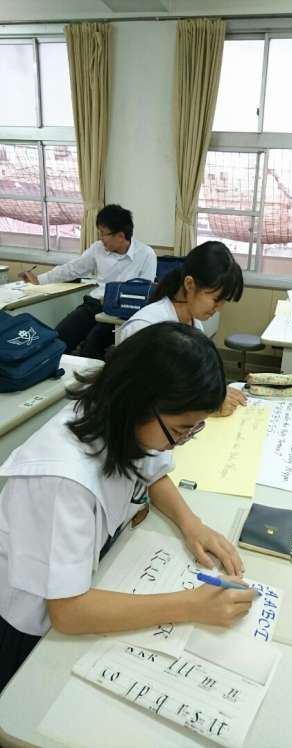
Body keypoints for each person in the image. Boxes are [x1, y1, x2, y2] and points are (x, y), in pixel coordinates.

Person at [0, 322, 256, 693]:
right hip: (33, 630)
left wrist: (191, 524)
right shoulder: (63, 480)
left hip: (92, 574)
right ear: (138, 402)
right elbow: (68, 611)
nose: (182, 441)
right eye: (181, 430)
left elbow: (152, 472)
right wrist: (193, 606)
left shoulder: (123, 421)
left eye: (193, 429)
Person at [118, 241, 247, 416]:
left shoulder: (194, 324)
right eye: (216, 299)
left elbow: (188, 384)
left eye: (224, 301)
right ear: (189, 284)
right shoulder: (145, 327)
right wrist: (208, 406)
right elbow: (138, 398)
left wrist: (216, 393)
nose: (219, 308)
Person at [18, 204, 157, 360]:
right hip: (94, 305)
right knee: (58, 339)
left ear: (120, 235)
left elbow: (144, 294)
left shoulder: (146, 254)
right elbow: (73, 268)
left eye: (103, 234)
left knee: (90, 348)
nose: (101, 238)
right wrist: (39, 280)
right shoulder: (98, 249)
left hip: (120, 314)